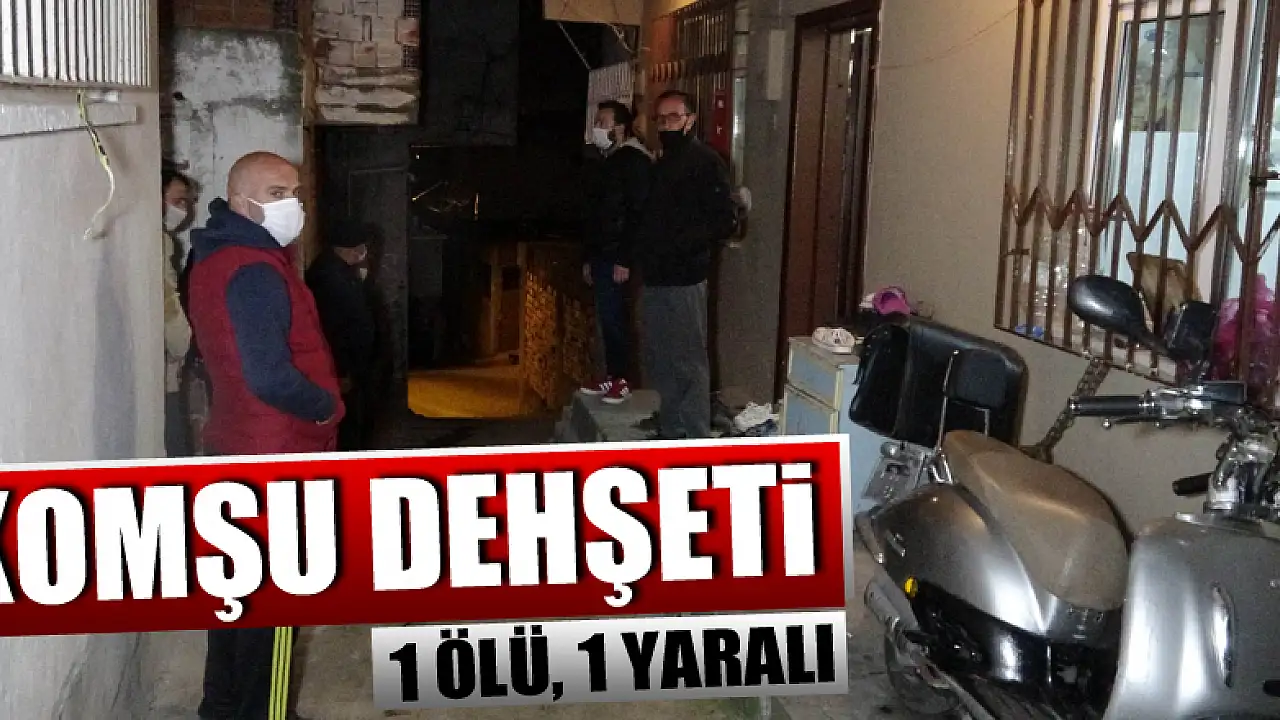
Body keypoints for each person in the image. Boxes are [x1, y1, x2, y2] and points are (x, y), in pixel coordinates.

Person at [186, 151, 341, 720]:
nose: (292, 204)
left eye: (295, 192)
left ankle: (222, 707)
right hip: (278, 450)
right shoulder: (254, 270)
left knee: (236, 591)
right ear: (241, 200)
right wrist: (324, 407)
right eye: (277, 193)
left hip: (235, 441)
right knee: (276, 601)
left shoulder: (214, 257)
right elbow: (269, 374)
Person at [634, 90, 738, 440]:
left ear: (690, 120)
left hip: (685, 276)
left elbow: (725, 219)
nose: (666, 125)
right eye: (661, 119)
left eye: (673, 118)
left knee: (688, 357)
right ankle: (670, 423)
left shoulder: (705, 162)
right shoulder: (661, 164)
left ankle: (693, 432)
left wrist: (685, 244)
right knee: (660, 355)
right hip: (656, 275)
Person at [580, 100, 653, 405]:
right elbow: (597, 213)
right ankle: (612, 375)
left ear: (620, 128)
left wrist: (625, 258)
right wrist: (589, 256)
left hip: (615, 254)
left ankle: (622, 379)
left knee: (616, 318)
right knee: (607, 317)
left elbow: (636, 213)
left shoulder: (633, 161)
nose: (597, 127)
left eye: (603, 122)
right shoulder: (608, 161)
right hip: (603, 251)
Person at [306, 227, 378, 451]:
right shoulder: (330, 278)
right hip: (343, 367)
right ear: (349, 249)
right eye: (360, 247)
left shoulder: (340, 272)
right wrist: (343, 370)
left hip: (351, 365)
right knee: (349, 426)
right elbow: (334, 327)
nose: (364, 252)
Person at [162, 167, 197, 458]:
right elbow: (168, 304)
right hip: (165, 372)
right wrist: (183, 343)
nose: (184, 210)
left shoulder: (162, 241)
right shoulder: (157, 242)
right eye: (178, 201)